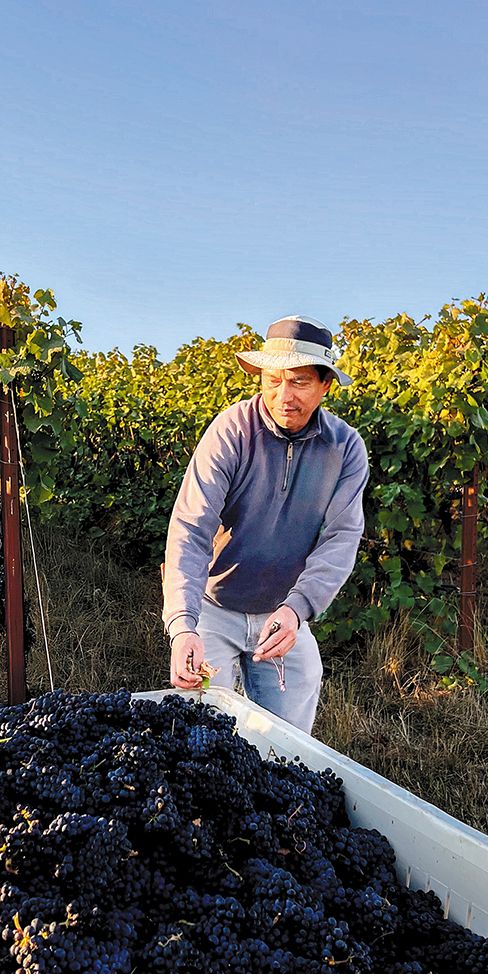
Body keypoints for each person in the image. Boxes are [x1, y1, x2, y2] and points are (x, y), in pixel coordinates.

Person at [161, 315, 369, 735]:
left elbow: (341, 539)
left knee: (287, 743)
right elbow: (191, 527)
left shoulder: (345, 448)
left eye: (299, 382)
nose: (283, 396)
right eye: (273, 380)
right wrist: (183, 625)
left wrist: (297, 609)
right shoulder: (231, 431)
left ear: (326, 384)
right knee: (200, 732)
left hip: (283, 613)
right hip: (213, 606)